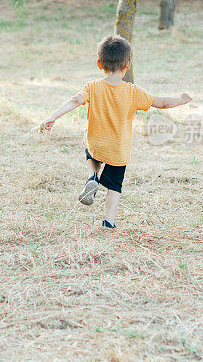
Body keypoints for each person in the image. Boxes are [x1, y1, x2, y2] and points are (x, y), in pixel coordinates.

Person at [39, 35, 191, 229]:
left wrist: (52, 117)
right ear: (128, 64)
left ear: (99, 64)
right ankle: (108, 222)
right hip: (118, 150)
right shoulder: (133, 91)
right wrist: (182, 98)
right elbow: (161, 103)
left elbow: (75, 100)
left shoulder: (93, 87)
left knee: (90, 151)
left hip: (96, 143)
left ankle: (93, 176)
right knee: (114, 186)